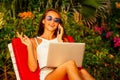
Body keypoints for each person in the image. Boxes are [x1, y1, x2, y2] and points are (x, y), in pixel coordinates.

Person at [17, 8, 95, 80]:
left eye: (56, 20)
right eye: (49, 18)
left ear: (59, 24)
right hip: (48, 76)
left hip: (66, 73)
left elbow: (69, 59)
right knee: (70, 64)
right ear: (43, 21)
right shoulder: (34, 41)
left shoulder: (63, 39)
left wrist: (60, 40)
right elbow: (32, 68)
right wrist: (29, 46)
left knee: (82, 71)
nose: (52, 22)